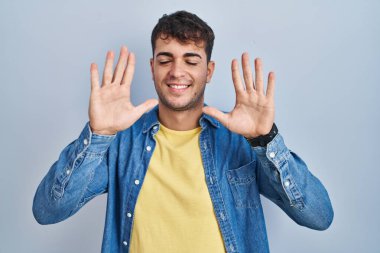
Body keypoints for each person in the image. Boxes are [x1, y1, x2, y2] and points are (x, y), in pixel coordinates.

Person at [32, 10, 333, 253]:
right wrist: (98, 135)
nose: (177, 72)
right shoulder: (121, 142)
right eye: (165, 60)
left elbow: (319, 216)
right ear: (152, 68)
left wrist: (264, 140)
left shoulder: (241, 143)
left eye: (191, 60)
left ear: (209, 71)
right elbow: (48, 210)